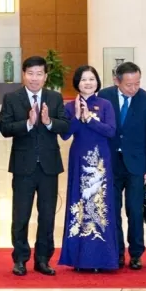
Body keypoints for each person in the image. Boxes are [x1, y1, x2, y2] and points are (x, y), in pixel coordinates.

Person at [0, 55, 69, 276]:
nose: (34, 78)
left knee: (47, 215)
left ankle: (43, 259)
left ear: (46, 76)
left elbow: (64, 126)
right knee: (20, 215)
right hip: (23, 166)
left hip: (49, 166)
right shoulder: (12, 98)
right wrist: (28, 123)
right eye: (30, 73)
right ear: (24, 74)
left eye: (39, 74)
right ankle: (20, 259)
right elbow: (5, 128)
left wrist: (48, 122)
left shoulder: (55, 98)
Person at [58, 65, 119, 271]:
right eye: (83, 79)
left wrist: (89, 119)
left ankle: (102, 258)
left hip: (100, 161)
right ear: (77, 83)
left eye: (91, 79)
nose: (88, 83)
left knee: (100, 206)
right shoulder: (69, 106)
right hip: (79, 159)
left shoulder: (105, 104)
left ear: (97, 82)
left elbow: (110, 131)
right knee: (80, 204)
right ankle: (79, 258)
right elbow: (65, 134)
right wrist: (76, 116)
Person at [99, 62, 146, 270]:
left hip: (137, 166)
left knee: (134, 210)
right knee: (112, 210)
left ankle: (136, 253)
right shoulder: (104, 96)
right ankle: (116, 252)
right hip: (110, 164)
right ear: (117, 81)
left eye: (137, 83)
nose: (133, 88)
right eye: (128, 85)